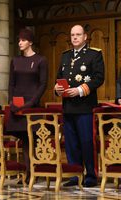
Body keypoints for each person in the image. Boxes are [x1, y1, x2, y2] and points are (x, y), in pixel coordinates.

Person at [54, 24, 105, 187]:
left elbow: (98, 77)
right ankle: (75, 175)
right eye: (72, 35)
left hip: (85, 106)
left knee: (86, 141)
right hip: (68, 106)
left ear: (85, 37)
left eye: (78, 35)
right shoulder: (65, 56)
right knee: (71, 143)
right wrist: (57, 89)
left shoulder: (94, 54)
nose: (74, 37)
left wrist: (80, 90)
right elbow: (59, 77)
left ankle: (90, 175)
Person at [6, 28, 48, 183]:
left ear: (30, 42)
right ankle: (28, 173)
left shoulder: (41, 60)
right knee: (24, 139)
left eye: (23, 40)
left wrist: (31, 103)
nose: (20, 43)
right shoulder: (15, 60)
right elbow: (11, 83)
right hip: (17, 105)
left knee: (33, 139)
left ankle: (34, 173)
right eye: (19, 40)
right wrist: (11, 101)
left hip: (32, 105)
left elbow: (43, 84)